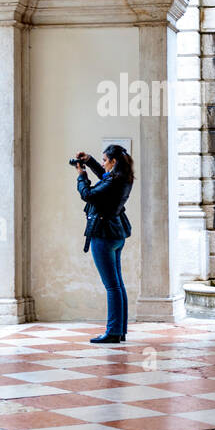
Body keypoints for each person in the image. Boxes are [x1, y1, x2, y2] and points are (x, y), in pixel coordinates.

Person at [74, 145, 134, 343]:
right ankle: (119, 330)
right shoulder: (121, 178)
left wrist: (81, 176)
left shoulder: (113, 181)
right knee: (117, 285)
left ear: (113, 162)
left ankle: (113, 332)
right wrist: (89, 160)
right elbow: (104, 177)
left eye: (104, 160)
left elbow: (88, 194)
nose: (102, 163)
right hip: (116, 234)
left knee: (112, 287)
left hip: (104, 235)